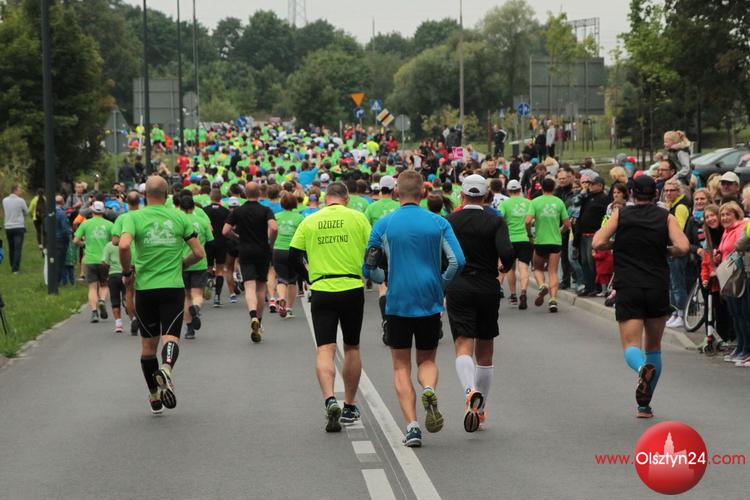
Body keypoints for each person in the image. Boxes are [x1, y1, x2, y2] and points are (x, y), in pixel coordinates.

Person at [364, 170, 465, 447]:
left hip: (397, 301)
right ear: (423, 193)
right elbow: (457, 261)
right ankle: (429, 388)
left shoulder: (383, 224)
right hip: (429, 300)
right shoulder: (438, 222)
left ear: (396, 192)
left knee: (400, 366)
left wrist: (384, 278)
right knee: (427, 360)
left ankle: (412, 427)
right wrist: (441, 284)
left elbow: (368, 267)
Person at [593, 175, 690, 418]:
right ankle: (644, 406)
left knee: (631, 345)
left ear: (631, 194)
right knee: (654, 347)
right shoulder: (666, 216)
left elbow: (598, 241)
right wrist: (664, 250)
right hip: (657, 286)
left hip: (629, 286)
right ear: (656, 194)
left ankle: (640, 368)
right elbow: (683, 247)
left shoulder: (621, 214)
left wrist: (617, 245)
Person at [288, 181, 371, 432]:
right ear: (346, 199)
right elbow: (373, 249)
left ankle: (329, 399)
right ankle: (350, 405)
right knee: (352, 346)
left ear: (325, 199)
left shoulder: (310, 220)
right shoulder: (357, 218)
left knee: (325, 348)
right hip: (351, 286)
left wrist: (308, 278)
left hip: (322, 288)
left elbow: (293, 255)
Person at [119, 175, 205, 414]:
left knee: (148, 346)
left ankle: (154, 396)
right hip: (172, 287)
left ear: (144, 194)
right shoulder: (180, 217)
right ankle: (166, 368)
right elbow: (199, 253)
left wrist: (126, 272)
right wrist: (182, 264)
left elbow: (123, 245)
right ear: (167, 195)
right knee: (171, 337)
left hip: (145, 289)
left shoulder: (133, 218)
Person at [446, 174, 515, 432]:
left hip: (459, 284)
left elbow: (442, 254)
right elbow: (507, 252)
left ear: (462, 195)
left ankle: (469, 390)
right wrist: (503, 267)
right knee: (485, 351)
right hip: (487, 285)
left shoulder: (449, 221)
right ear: (486, 196)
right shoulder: (495, 221)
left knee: (463, 344)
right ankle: (480, 408)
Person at [222, 182, 278, 343]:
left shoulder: (238, 211)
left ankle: (252, 315)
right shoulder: (265, 210)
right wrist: (270, 242)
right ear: (259, 194)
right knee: (261, 288)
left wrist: (237, 237)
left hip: (245, 251)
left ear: (245, 194)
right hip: (262, 250)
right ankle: (258, 320)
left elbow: (225, 231)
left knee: (249, 287)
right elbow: (274, 228)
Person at [525, 178, 571, 312]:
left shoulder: (535, 202)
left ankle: (542, 286)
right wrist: (559, 231)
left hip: (540, 241)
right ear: (554, 187)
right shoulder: (559, 202)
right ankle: (553, 300)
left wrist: (530, 235)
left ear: (541, 188)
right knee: (553, 272)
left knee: (537, 268)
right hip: (555, 242)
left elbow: (527, 221)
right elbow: (567, 224)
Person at [364, 175, 400, 340]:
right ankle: (397, 317)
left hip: (379, 249)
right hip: (398, 249)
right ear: (394, 189)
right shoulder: (399, 206)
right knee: (398, 284)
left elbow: (366, 229)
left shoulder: (372, 207)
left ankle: (386, 319)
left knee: (383, 287)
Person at [715, 202, 749, 365]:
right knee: (735, 314)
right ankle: (740, 347)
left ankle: (746, 348)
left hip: (739, 276)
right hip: (729, 277)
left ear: (736, 214)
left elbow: (739, 249)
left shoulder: (741, 227)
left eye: (728, 214)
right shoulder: (726, 231)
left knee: (743, 313)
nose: (724, 218)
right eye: (722, 215)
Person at [178, 194, 214, 340]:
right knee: (197, 294)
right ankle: (197, 308)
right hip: (199, 262)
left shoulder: (178, 222)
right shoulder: (202, 221)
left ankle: (189, 329)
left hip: (181, 263)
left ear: (180, 207)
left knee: (186, 296)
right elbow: (211, 242)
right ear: (194, 207)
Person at [74, 201, 114, 323]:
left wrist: (83, 244)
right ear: (103, 211)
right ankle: (102, 300)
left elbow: (75, 240)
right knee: (104, 285)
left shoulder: (85, 224)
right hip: (105, 260)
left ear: (92, 211)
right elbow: (115, 241)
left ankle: (94, 312)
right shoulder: (110, 225)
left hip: (90, 260)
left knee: (92, 287)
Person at [111, 191, 142, 335]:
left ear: (126, 202)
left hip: (128, 259)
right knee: (144, 289)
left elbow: (115, 241)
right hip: (144, 258)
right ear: (140, 201)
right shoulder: (144, 215)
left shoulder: (122, 218)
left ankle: (133, 318)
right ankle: (145, 317)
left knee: (129, 292)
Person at [573, 176, 609, 296]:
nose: (590, 186)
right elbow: (575, 203)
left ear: (600, 185)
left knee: (591, 261)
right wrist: (583, 193)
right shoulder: (587, 197)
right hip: (583, 233)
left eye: (593, 184)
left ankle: (596, 287)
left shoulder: (604, 198)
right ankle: (588, 286)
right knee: (584, 261)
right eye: (590, 184)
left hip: (594, 233)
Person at [663, 180, 691, 328]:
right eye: (666, 190)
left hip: (677, 250)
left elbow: (678, 229)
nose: (668, 193)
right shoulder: (672, 205)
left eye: (671, 190)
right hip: (670, 249)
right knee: (671, 284)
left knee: (677, 284)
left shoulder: (680, 206)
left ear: (678, 191)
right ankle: (674, 312)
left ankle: (681, 313)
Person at [500, 180, 532, 309]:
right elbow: (532, 220)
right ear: (520, 190)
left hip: (510, 240)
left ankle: (513, 295)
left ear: (508, 191)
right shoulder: (528, 203)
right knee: (523, 268)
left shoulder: (504, 204)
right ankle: (523, 292)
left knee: (510, 269)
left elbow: (499, 218)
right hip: (524, 238)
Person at [272, 192, 304, 319]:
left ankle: (281, 298)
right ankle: (289, 308)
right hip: (293, 250)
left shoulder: (276, 216)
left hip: (278, 249)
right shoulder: (299, 218)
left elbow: (271, 231)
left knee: (281, 278)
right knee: (292, 281)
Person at [203, 189, 231, 307]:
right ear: (221, 198)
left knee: (209, 267)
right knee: (220, 270)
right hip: (221, 243)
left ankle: (209, 279)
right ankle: (217, 297)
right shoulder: (226, 211)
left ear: (210, 197)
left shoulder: (204, 210)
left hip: (208, 242)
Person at [2, 185, 28, 274]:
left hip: (8, 226)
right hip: (18, 226)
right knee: (17, 248)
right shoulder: (21, 200)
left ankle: (12, 264)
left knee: (11, 247)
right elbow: (26, 212)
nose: (21, 191)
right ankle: (15, 269)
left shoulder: (4, 200)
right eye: (19, 190)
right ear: (15, 191)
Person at [101, 239, 125, 333]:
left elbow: (104, 262)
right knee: (128, 296)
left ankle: (118, 324)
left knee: (115, 299)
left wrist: (106, 273)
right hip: (126, 274)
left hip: (113, 275)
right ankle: (132, 315)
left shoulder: (109, 245)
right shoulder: (128, 244)